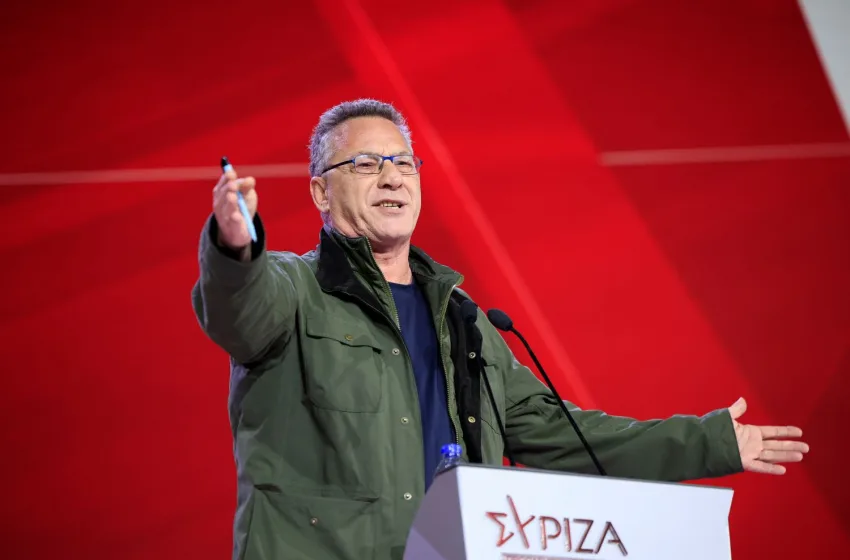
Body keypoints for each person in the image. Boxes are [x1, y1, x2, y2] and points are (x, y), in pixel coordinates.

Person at [191, 99, 809, 560]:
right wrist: (234, 246)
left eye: (403, 162)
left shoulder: (462, 320)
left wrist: (707, 441)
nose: (392, 177)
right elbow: (238, 309)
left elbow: (567, 436)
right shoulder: (293, 290)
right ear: (321, 193)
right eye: (366, 163)